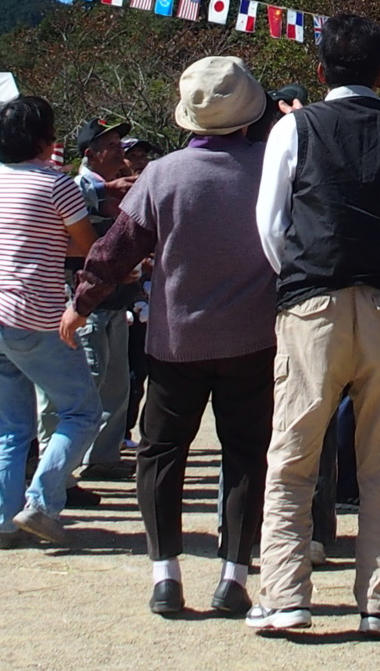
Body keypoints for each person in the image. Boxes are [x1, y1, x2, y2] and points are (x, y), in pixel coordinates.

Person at [248, 13, 380, 636]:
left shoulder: (294, 129)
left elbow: (270, 225)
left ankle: (285, 597)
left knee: (294, 455)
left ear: (321, 69)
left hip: (313, 306)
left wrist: (304, 280)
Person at [67, 57, 278, 618]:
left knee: (161, 453)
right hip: (255, 338)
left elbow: (113, 251)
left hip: (174, 339)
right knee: (245, 455)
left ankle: (166, 574)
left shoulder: (162, 174)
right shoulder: (275, 168)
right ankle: (234, 574)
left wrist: (79, 303)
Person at [0, 94, 97, 551]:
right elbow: (85, 244)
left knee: (11, 423)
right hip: (29, 312)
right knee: (82, 411)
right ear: (45, 139)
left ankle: (1, 520)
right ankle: (41, 502)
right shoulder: (56, 183)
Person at [71, 114, 141, 480]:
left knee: (117, 383)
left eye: (119, 146)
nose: (119, 153)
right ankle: (75, 458)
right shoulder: (80, 186)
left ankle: (103, 457)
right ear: (91, 153)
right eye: (111, 147)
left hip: (116, 300)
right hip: (88, 301)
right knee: (91, 378)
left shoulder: (115, 185)